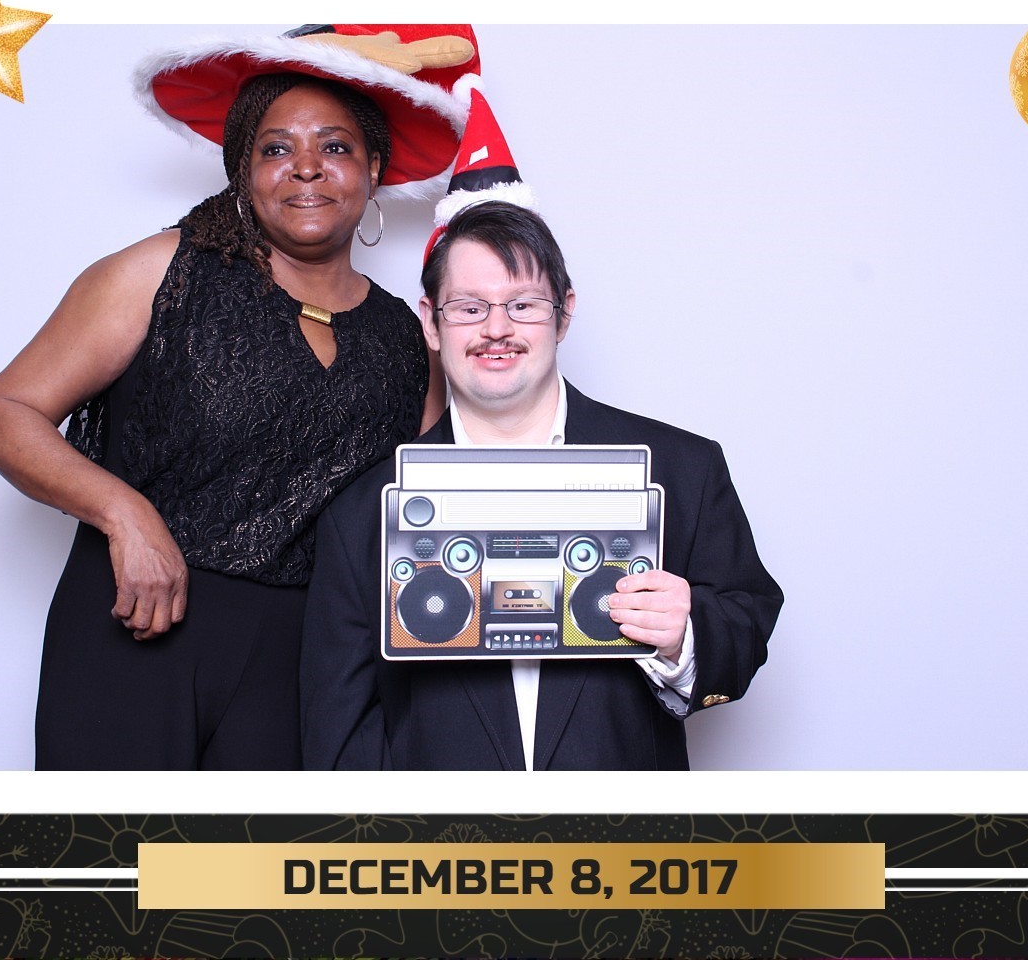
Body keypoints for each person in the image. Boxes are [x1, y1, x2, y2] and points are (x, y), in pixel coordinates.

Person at [0, 24, 476, 770]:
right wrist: (126, 516)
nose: (306, 167)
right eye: (276, 148)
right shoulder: (162, 273)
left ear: (373, 169)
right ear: (243, 169)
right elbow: (0, 415)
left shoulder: (405, 336)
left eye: (335, 147)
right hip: (137, 622)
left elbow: (422, 512)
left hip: (304, 665)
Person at [301, 197, 784, 771]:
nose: (496, 329)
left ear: (564, 313)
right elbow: (339, 734)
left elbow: (747, 626)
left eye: (523, 305)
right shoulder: (361, 514)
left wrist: (684, 636)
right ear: (431, 321)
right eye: (469, 307)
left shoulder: (682, 469)